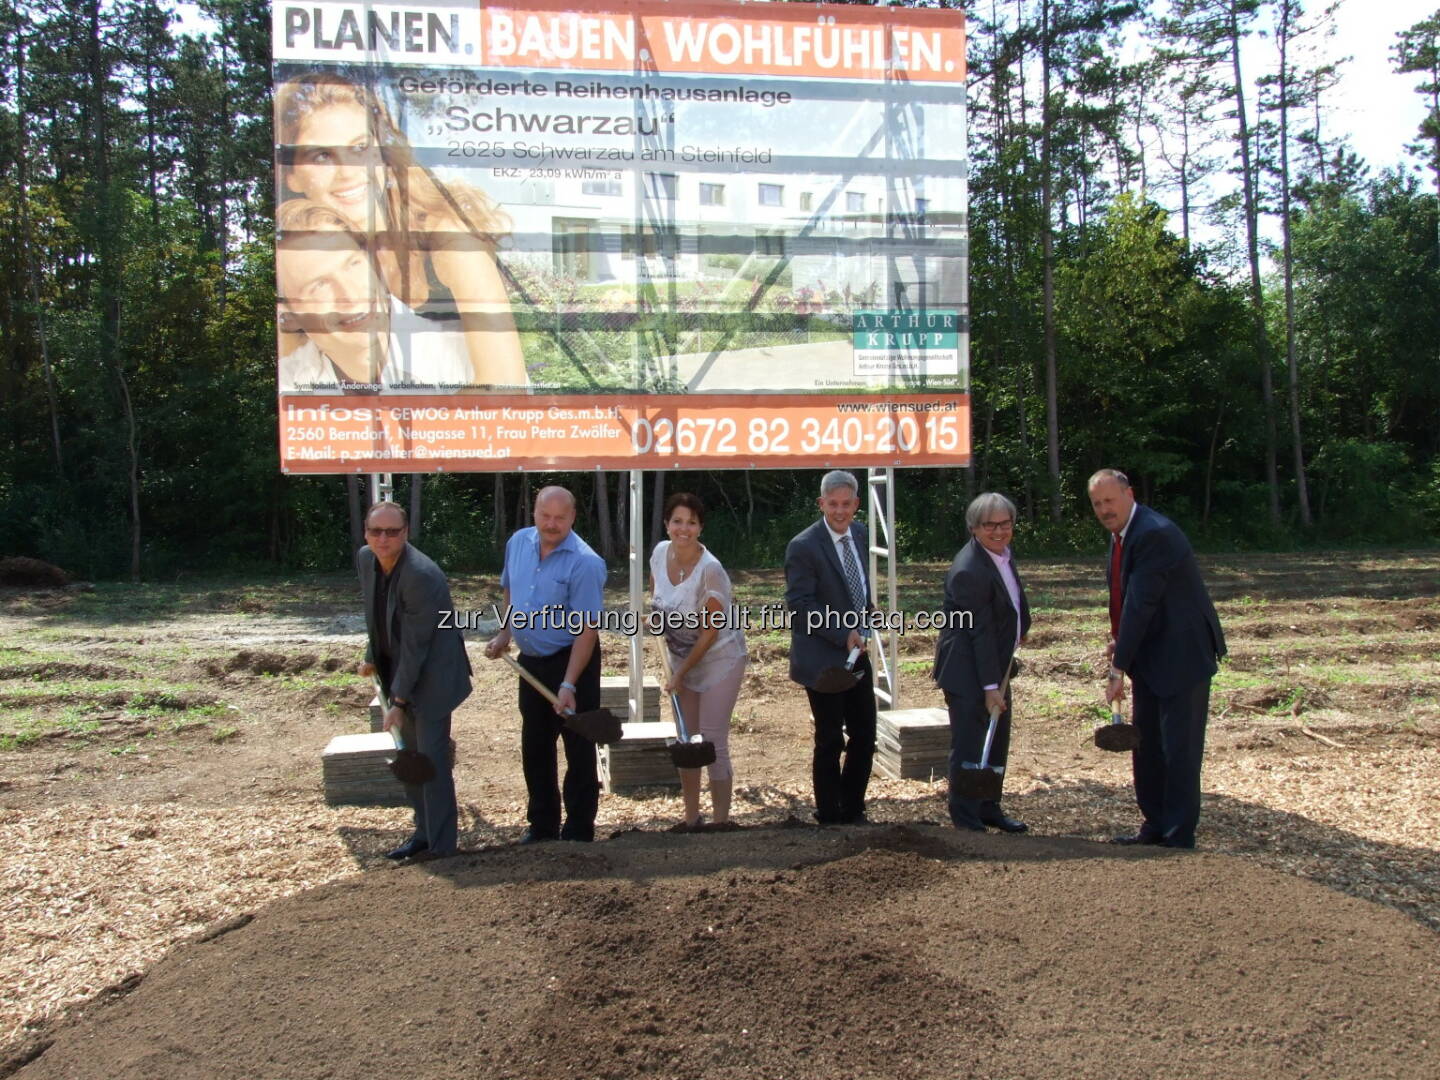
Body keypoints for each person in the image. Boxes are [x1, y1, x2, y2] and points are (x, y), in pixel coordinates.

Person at [275, 71, 527, 386]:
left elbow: (505, 384)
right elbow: (291, 373)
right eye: (323, 156)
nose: (349, 174)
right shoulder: (308, 259)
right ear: (292, 176)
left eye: (359, 148)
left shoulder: (446, 237)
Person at [1088, 468, 1226, 850]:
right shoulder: (1122, 536)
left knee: (1178, 748)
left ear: (1128, 494)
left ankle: (1178, 834)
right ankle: (1154, 825)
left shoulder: (1154, 534)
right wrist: (1122, 646)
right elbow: (1128, 601)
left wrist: (1117, 669)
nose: (1104, 509)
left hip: (1182, 655)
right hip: (1151, 654)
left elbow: (1140, 604)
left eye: (1110, 500)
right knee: (1147, 744)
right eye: (1098, 503)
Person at [484, 486, 608, 843]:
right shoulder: (519, 542)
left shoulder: (586, 562)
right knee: (535, 747)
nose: (551, 524)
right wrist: (505, 634)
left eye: (560, 517)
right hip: (532, 663)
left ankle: (579, 828)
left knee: (578, 745)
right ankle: (542, 826)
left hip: (574, 662)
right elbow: (511, 591)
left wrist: (569, 685)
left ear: (572, 518)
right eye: (545, 515)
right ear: (534, 512)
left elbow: (587, 630)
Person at [356, 501, 472, 860]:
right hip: (401, 671)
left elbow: (417, 645)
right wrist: (370, 655)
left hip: (435, 674)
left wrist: (399, 703)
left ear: (405, 534)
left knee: (430, 760)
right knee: (407, 756)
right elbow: (378, 614)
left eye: (392, 532)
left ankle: (441, 846)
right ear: (366, 533)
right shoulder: (366, 559)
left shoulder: (421, 575)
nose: (383, 539)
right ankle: (422, 834)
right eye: (376, 531)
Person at [276, 199, 473, 389]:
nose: (351, 295)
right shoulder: (287, 383)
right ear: (290, 313)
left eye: (353, 264)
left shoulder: (466, 358)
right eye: (319, 285)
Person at [933, 492, 1031, 833]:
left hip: (995, 664)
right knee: (971, 744)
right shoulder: (969, 570)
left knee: (997, 738)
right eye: (990, 525)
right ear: (974, 528)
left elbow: (1014, 598)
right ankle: (966, 818)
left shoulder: (1001, 554)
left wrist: (1022, 629)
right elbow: (979, 632)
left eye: (1005, 524)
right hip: (968, 670)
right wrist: (990, 687)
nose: (1000, 531)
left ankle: (989, 807)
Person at [784, 470, 878, 825]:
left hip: (857, 654)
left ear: (856, 504)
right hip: (822, 658)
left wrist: (867, 611)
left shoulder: (861, 533)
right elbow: (801, 606)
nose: (840, 511)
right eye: (832, 504)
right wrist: (842, 634)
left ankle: (852, 807)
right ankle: (828, 812)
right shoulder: (803, 546)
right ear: (821, 504)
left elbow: (859, 584)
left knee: (865, 734)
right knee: (829, 739)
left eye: (846, 504)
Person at [650, 492, 747, 830]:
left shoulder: (711, 572)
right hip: (682, 658)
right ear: (667, 524)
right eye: (677, 521)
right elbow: (658, 599)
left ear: (700, 527)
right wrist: (656, 621)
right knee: (685, 739)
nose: (683, 529)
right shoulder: (660, 554)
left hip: (720, 658)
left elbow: (708, 634)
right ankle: (691, 818)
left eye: (691, 522)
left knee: (710, 739)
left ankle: (721, 823)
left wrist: (680, 674)